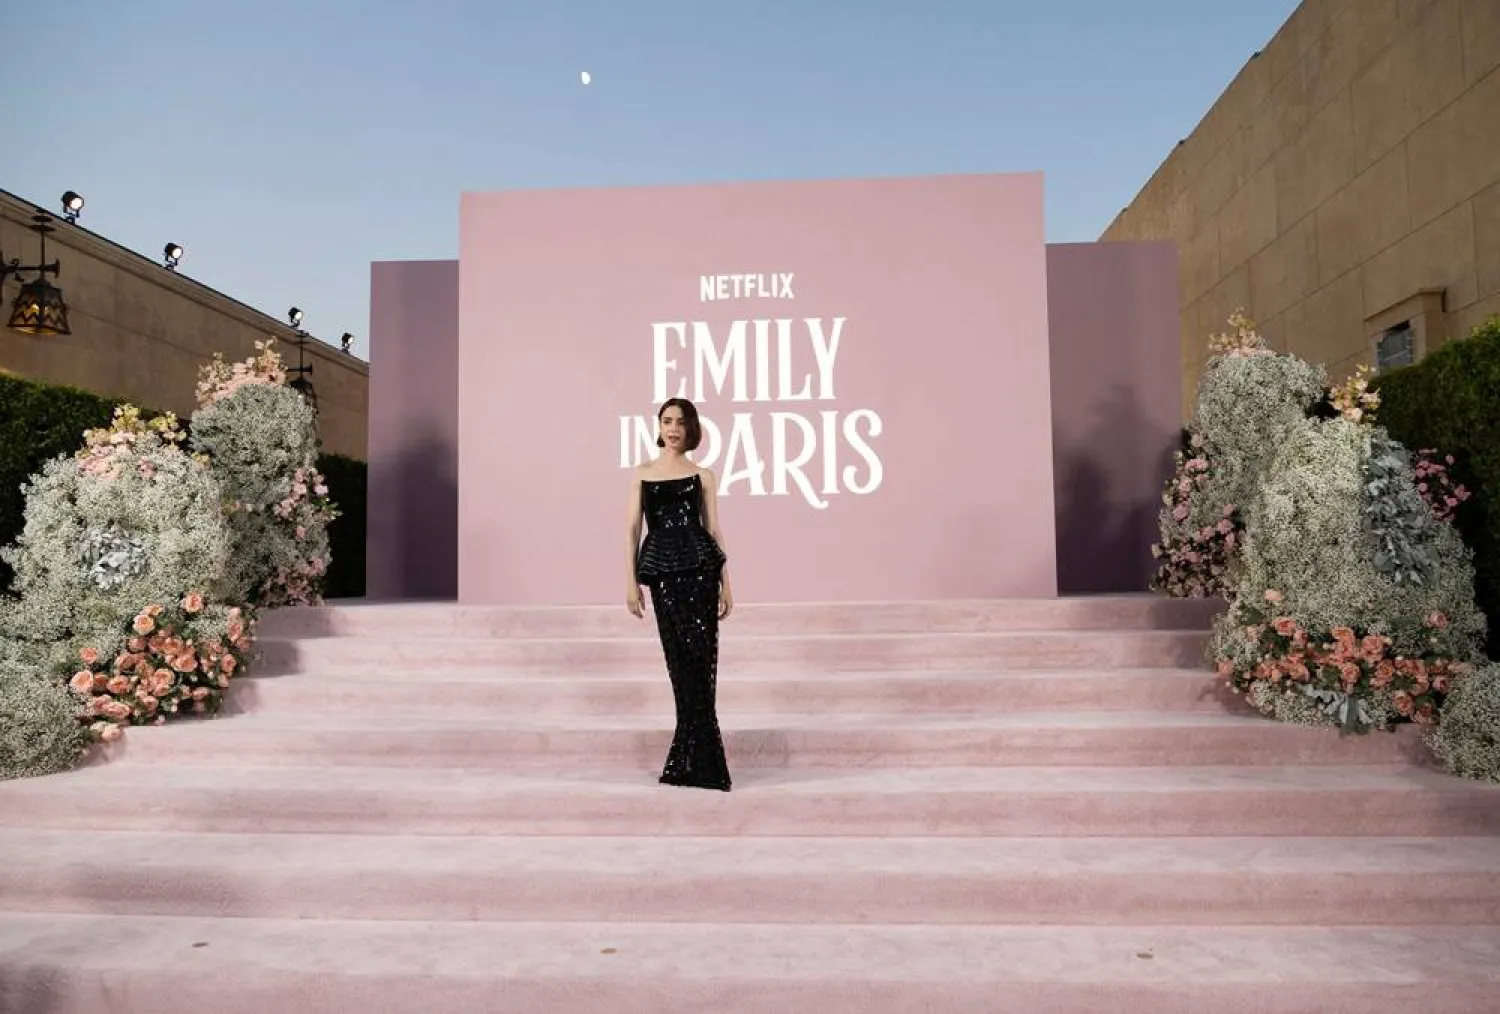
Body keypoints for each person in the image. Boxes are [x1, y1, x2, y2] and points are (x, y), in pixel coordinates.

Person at [625, 397, 734, 791]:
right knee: (680, 667)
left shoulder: (703, 475)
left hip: (701, 575)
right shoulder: (642, 473)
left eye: (680, 422)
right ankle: (692, 760)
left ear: (691, 430)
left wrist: (727, 583)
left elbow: (715, 530)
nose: (673, 428)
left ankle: (703, 765)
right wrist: (629, 581)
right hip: (665, 578)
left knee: (703, 668)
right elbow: (631, 531)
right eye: (667, 421)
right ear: (659, 426)